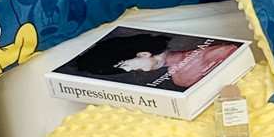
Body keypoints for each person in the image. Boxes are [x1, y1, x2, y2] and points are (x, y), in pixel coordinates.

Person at [74, 31, 240, 89]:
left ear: (143, 54)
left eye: (126, 65)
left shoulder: (183, 74)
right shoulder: (179, 78)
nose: (129, 70)